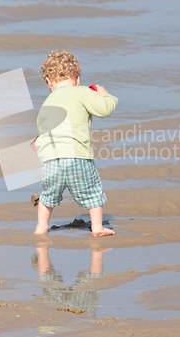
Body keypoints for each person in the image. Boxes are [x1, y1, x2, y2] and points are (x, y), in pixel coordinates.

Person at [34, 50, 118, 237]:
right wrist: (105, 95)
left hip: (51, 160)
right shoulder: (83, 92)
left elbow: (41, 130)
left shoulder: (47, 102)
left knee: (47, 196)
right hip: (76, 156)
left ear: (49, 82)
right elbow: (104, 110)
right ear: (77, 79)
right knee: (92, 191)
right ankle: (97, 227)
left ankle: (41, 227)